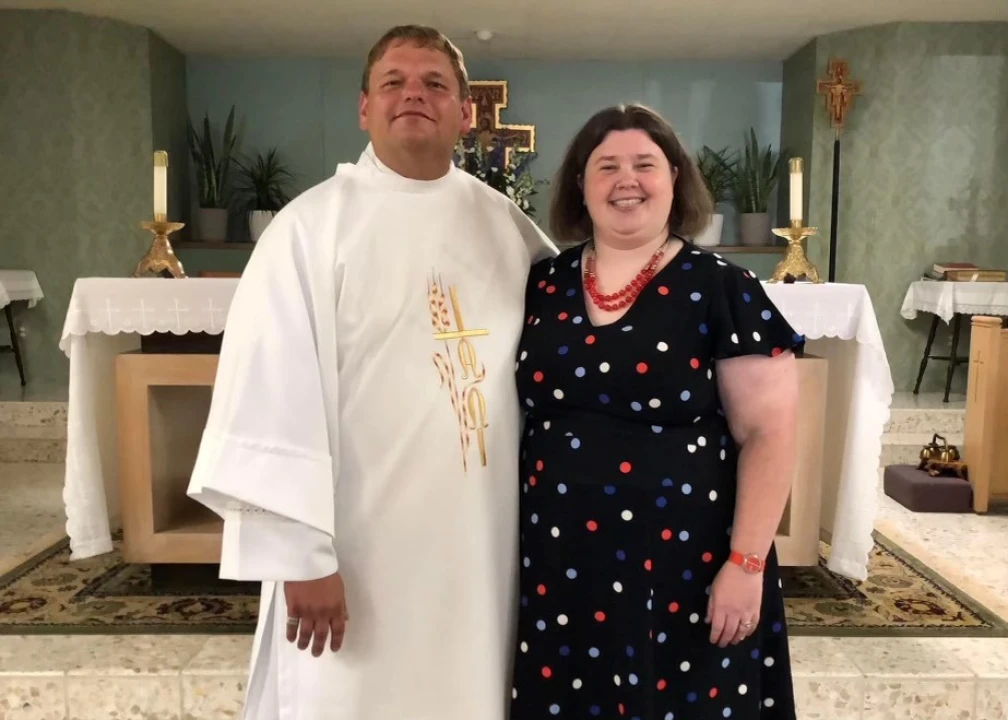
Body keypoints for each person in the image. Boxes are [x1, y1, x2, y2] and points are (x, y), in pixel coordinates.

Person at [187, 25, 556, 720]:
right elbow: (269, 394)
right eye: (394, 82)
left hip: (478, 544)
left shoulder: (507, 228)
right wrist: (300, 556)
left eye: (434, 84)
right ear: (364, 108)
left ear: (465, 112)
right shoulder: (309, 229)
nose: (413, 95)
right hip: (356, 550)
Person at [509, 104, 801, 720]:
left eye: (645, 164)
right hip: (560, 563)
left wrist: (746, 564)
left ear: (674, 178)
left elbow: (769, 433)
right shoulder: (543, 283)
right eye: (606, 166)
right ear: (580, 185)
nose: (627, 180)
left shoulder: (721, 287)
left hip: (684, 567)